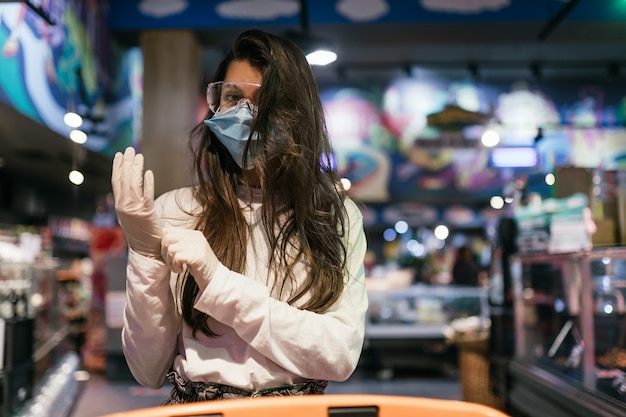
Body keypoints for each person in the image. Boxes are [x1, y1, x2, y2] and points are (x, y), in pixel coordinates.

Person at [111, 29, 368, 404]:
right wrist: (145, 256)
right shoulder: (177, 210)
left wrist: (218, 281)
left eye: (265, 100)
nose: (245, 113)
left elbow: (339, 354)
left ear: (297, 113)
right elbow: (148, 369)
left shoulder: (332, 216)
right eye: (233, 97)